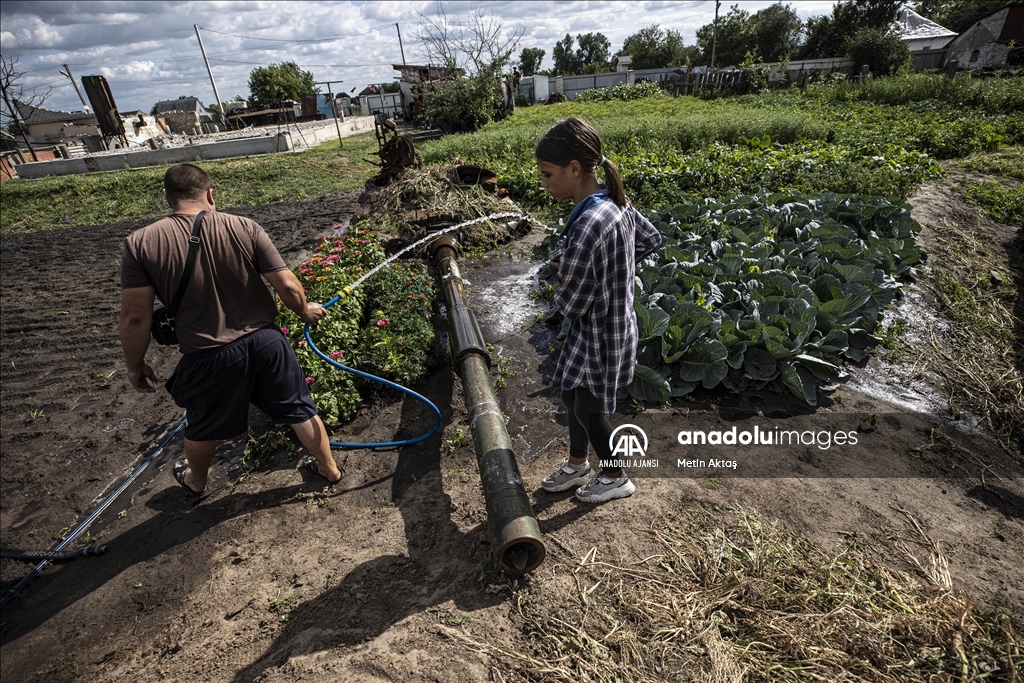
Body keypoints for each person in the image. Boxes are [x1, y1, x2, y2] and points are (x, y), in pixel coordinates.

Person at [119, 163, 342, 497]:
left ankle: (196, 482)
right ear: (210, 194)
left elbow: (135, 318)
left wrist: (135, 364)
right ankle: (329, 468)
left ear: (168, 199)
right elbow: (288, 285)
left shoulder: (140, 243)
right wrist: (304, 309)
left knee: (203, 425)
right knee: (300, 408)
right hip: (267, 342)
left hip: (208, 354)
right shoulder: (244, 227)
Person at [536, 118, 663, 503]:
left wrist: (568, 269)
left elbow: (571, 303)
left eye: (547, 174)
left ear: (575, 169)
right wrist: (611, 269)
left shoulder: (588, 223)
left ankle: (615, 474)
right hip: (615, 322)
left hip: (598, 333)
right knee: (573, 396)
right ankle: (578, 464)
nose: (543, 182)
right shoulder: (613, 202)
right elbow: (650, 238)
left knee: (588, 407)